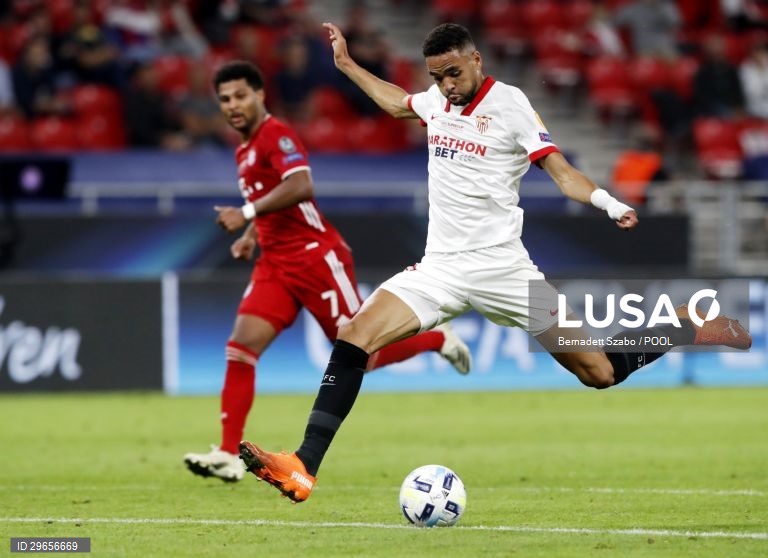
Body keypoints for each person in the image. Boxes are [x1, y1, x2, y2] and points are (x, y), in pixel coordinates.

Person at [238, 23, 753, 502]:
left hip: (505, 271)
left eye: (454, 73)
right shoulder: (437, 101)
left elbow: (562, 172)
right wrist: (348, 65)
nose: (446, 85)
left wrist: (610, 203)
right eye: (437, 76)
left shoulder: (510, 104)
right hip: (439, 268)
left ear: (476, 60)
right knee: (353, 336)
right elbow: (399, 104)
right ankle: (303, 465)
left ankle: (684, 326)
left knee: (598, 372)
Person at [183, 60, 471, 482]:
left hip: (317, 258)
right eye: (225, 99)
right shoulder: (244, 149)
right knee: (240, 347)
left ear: (261, 95)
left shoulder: (275, 135)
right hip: (276, 265)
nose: (233, 105)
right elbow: (276, 200)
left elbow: (301, 186)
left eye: (241, 95)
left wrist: (244, 211)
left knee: (362, 354)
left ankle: (435, 338)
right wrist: (252, 233)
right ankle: (228, 453)